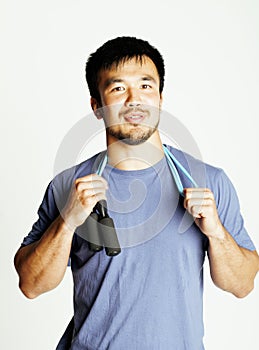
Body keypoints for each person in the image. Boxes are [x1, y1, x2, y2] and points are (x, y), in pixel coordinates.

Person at [14, 36, 259, 350]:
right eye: (118, 88)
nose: (134, 100)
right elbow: (31, 285)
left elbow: (241, 285)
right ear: (97, 106)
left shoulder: (207, 181)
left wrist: (216, 232)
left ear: (159, 97)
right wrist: (67, 222)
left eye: (146, 86)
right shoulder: (68, 186)